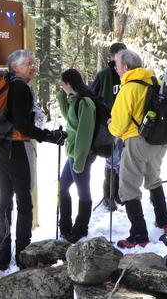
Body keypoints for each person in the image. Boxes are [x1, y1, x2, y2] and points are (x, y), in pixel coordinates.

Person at [0, 49, 67, 270]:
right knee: (24, 201)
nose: (34, 67)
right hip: (15, 148)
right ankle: (24, 255)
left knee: (4, 199)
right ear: (15, 67)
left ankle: (1, 257)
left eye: (34, 62)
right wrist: (49, 136)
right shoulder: (20, 87)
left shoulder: (4, 85)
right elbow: (23, 125)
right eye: (28, 64)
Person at [108, 49, 167, 248]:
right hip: (159, 141)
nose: (115, 67)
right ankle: (163, 220)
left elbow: (118, 126)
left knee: (128, 188)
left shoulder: (128, 88)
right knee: (154, 178)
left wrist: (110, 123)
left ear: (125, 67)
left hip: (136, 141)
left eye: (116, 64)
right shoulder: (157, 82)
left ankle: (139, 235)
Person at [56, 69, 97, 243]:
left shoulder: (85, 103)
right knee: (63, 187)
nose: (60, 86)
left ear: (69, 84)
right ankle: (65, 226)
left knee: (83, 192)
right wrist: (61, 95)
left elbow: (84, 134)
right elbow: (70, 118)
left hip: (81, 155)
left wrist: (79, 161)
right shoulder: (75, 99)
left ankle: (80, 228)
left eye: (62, 83)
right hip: (72, 153)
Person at [91, 42, 126, 211]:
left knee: (123, 159)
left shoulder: (129, 72)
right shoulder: (104, 75)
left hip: (126, 123)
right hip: (109, 124)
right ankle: (108, 195)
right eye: (117, 55)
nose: (119, 59)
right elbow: (92, 95)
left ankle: (119, 193)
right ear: (111, 57)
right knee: (112, 159)